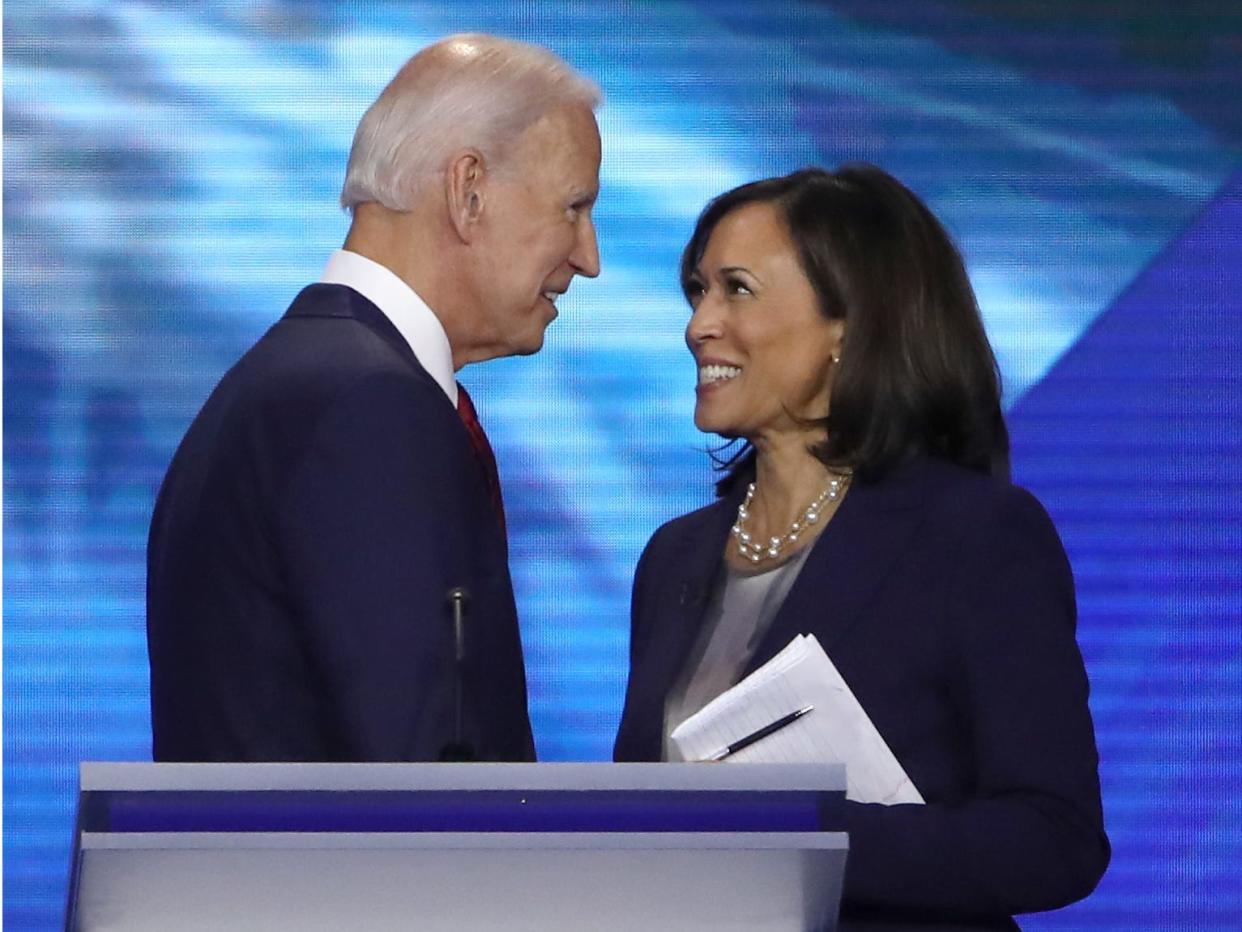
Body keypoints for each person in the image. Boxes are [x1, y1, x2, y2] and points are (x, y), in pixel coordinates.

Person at [613, 166, 1108, 928]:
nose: (699, 325)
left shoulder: (972, 537)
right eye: (697, 290)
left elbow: (1055, 839)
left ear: (848, 325)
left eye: (736, 289)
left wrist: (802, 832)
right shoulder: (674, 557)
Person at [147, 34, 601, 762]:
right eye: (574, 207)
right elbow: (420, 780)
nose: (589, 257)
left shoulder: (292, 381)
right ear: (468, 191)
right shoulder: (367, 406)